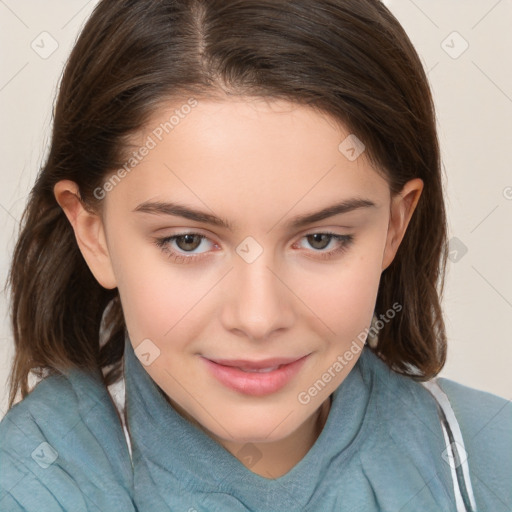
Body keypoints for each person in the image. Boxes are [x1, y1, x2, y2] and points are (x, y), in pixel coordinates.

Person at [0, 0, 510, 511]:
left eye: (320, 239)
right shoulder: (26, 484)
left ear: (394, 226)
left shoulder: (492, 459)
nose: (259, 318)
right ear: (94, 233)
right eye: (188, 241)